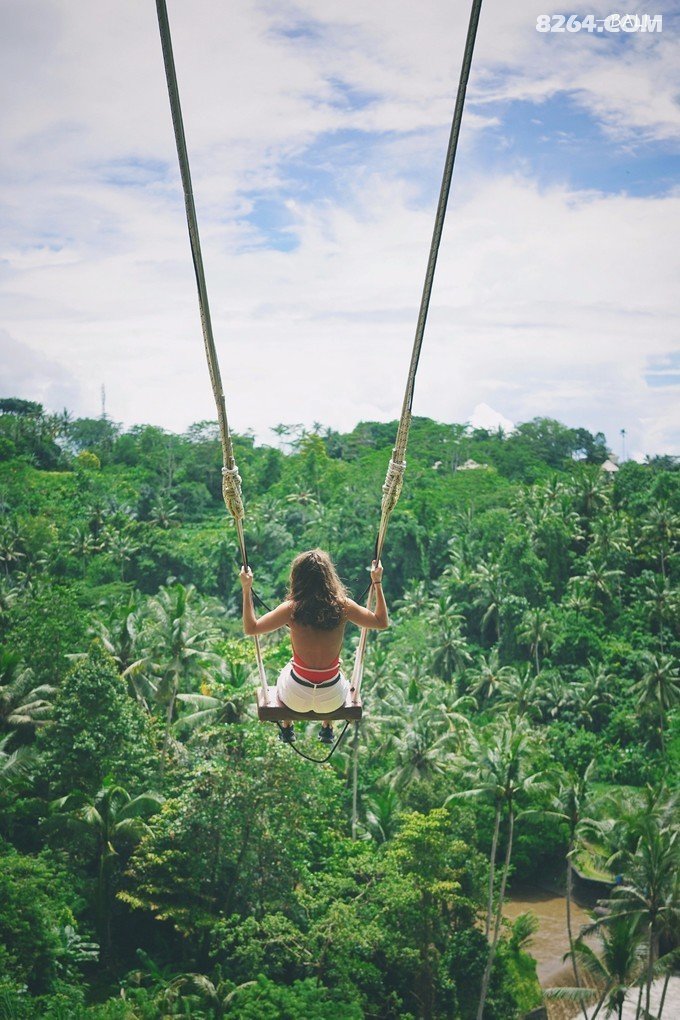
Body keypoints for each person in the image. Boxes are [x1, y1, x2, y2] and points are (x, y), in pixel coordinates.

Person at [240, 548, 388, 744]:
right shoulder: (343, 606)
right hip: (331, 699)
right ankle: (327, 725)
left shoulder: (291, 609)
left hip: (294, 697)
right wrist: (377, 582)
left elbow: (251, 628)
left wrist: (246, 588)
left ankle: (287, 725)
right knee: (338, 669)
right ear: (329, 577)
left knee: (288, 668)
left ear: (297, 578)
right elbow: (381, 622)